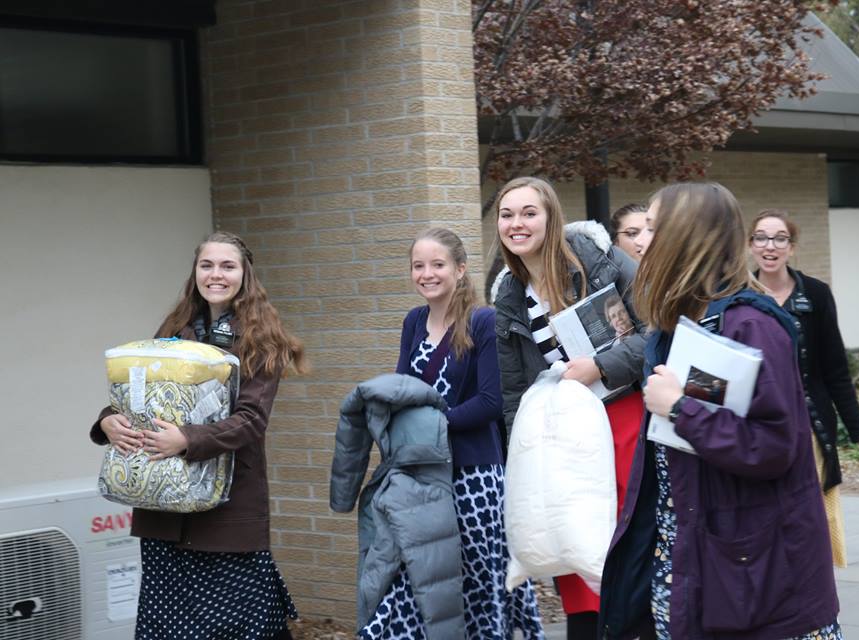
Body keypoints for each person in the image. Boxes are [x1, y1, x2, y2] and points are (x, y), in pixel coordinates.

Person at [603, 183, 842, 640]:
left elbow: (775, 444)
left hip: (757, 583)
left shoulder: (750, 325)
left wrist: (679, 408)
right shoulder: (676, 326)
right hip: (696, 566)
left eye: (652, 227)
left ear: (687, 236)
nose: (640, 241)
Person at [91, 231, 306, 640]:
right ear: (195, 272)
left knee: (243, 628)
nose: (216, 275)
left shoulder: (263, 340)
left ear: (245, 274)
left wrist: (187, 439)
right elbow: (141, 401)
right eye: (206, 265)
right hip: (163, 514)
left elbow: (251, 419)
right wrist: (108, 421)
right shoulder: (173, 329)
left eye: (228, 266)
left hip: (227, 515)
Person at [359, 227, 543, 639]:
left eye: (437, 264)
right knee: (413, 581)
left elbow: (490, 402)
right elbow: (403, 389)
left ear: (460, 269)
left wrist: (430, 427)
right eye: (418, 266)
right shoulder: (413, 321)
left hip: (473, 476)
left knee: (477, 584)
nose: (426, 274)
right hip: (422, 476)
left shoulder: (483, 321)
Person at [492, 177, 647, 640]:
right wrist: (521, 462)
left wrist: (599, 367)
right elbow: (515, 392)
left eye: (529, 213)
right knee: (578, 557)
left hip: (623, 422)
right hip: (562, 442)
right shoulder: (509, 295)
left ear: (551, 217)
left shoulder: (599, 259)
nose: (517, 224)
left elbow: (655, 332)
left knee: (629, 550)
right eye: (506, 214)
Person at [750, 208, 859, 565]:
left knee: (812, 512)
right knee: (767, 511)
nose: (770, 246)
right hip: (758, 426)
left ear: (791, 247)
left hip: (810, 425)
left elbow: (835, 372)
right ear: (750, 245)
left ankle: (814, 582)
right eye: (761, 237)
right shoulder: (738, 295)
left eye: (780, 238)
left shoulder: (816, 294)